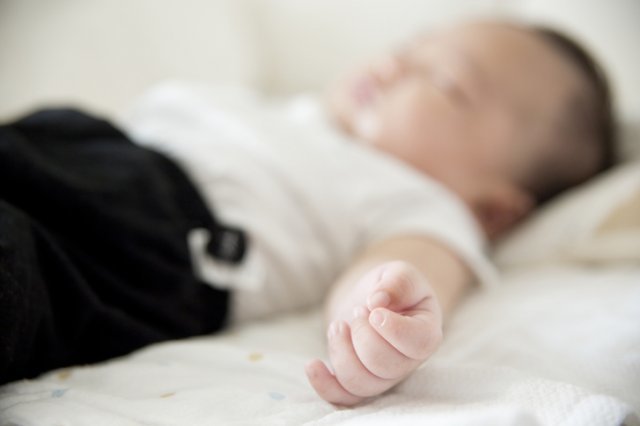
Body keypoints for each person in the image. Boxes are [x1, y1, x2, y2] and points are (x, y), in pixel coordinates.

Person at [0, 19, 614, 406]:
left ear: (495, 208)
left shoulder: (423, 200)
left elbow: (407, 265)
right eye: (409, 48)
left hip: (141, 233)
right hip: (77, 144)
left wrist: (377, 313)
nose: (396, 65)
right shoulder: (300, 114)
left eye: (446, 81)